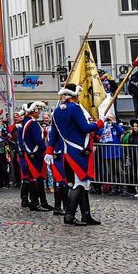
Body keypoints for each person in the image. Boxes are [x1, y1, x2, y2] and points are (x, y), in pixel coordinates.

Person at [52, 84, 103, 226]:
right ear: (75, 95)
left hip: (66, 152)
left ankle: (86, 215)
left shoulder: (57, 110)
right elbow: (85, 128)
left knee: (81, 184)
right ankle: (69, 216)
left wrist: (50, 150)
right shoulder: (75, 108)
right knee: (79, 184)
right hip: (77, 152)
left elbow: (53, 134)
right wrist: (99, 123)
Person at [18, 101, 50, 212]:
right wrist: (45, 148)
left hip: (31, 153)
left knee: (36, 179)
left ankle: (41, 202)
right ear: (34, 110)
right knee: (37, 178)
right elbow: (38, 140)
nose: (39, 112)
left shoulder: (27, 122)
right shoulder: (32, 123)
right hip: (36, 154)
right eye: (38, 110)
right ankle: (35, 203)